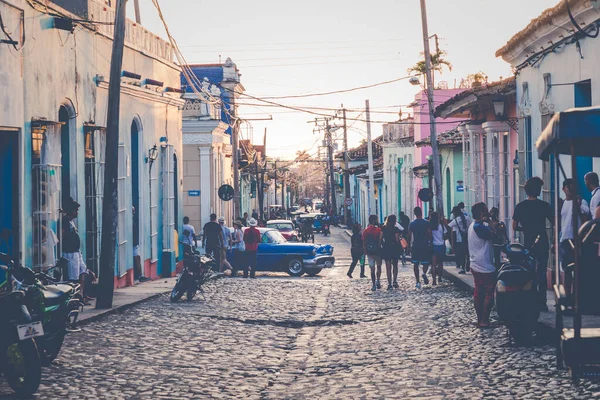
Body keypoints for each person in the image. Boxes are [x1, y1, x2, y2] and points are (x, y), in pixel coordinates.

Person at [512, 177, 554, 311]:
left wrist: (524, 229)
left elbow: (514, 226)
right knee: (541, 272)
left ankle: (531, 301)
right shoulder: (544, 206)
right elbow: (554, 222)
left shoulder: (520, 206)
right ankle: (542, 302)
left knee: (529, 273)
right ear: (538, 190)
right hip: (542, 242)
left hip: (528, 243)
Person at [560, 179, 591, 297]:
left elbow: (586, 220)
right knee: (566, 270)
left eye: (573, 187)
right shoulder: (562, 203)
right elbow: (558, 224)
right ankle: (567, 296)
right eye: (568, 187)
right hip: (564, 239)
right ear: (564, 189)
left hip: (577, 240)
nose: (570, 190)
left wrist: (578, 206)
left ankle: (577, 296)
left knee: (578, 269)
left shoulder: (581, 202)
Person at [61, 197, 95, 304]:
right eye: (76, 210)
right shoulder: (65, 221)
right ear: (72, 210)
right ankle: (74, 298)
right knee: (73, 277)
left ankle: (81, 294)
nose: (77, 212)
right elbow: (62, 235)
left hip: (76, 252)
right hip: (70, 253)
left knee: (82, 272)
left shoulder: (70, 221)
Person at [468, 202, 496, 329]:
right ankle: (484, 319)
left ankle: (480, 319)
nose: (487, 212)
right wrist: (490, 221)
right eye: (485, 210)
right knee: (489, 293)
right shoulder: (480, 227)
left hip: (475, 263)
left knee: (479, 292)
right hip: (484, 264)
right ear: (480, 213)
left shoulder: (473, 226)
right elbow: (494, 234)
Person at [408, 206, 432, 289]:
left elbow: (409, 236)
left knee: (416, 264)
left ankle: (417, 281)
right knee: (426, 263)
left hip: (416, 245)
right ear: (421, 212)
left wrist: (408, 246)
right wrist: (430, 242)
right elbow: (429, 234)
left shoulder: (412, 224)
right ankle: (424, 273)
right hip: (424, 245)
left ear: (415, 214)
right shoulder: (426, 223)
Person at [363, 215, 383, 291]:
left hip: (369, 252)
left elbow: (364, 242)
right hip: (377, 251)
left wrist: (365, 251)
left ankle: (373, 284)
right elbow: (380, 240)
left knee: (372, 269)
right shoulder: (379, 230)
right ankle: (378, 281)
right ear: (374, 221)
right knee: (378, 267)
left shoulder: (366, 231)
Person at [381, 215, 402, 290]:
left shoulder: (383, 228)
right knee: (395, 266)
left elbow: (381, 237)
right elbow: (397, 239)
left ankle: (389, 283)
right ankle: (395, 281)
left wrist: (381, 245)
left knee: (388, 267)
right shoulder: (395, 229)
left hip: (386, 247)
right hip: (394, 248)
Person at [449, 206, 471, 275]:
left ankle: (463, 268)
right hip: (468, 238)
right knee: (468, 253)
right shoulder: (468, 218)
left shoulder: (455, 220)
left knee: (462, 255)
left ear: (456, 213)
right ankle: (468, 264)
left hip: (459, 240)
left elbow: (448, 226)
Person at [429, 211, 448, 286]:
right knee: (440, 263)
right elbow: (446, 236)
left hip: (434, 246)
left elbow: (429, 236)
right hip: (441, 246)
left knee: (433, 265)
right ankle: (439, 277)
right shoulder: (442, 226)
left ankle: (434, 280)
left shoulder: (430, 227)